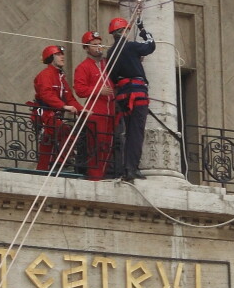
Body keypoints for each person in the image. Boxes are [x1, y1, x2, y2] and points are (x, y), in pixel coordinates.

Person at [106, 17, 155, 181]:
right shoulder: (130, 46)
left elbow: (112, 76)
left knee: (128, 131)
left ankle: (127, 167)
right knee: (136, 133)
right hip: (137, 94)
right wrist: (142, 29)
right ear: (125, 31)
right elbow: (150, 46)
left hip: (123, 96)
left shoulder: (111, 52)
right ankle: (131, 169)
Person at [73, 30, 117, 180]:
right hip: (96, 111)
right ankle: (95, 177)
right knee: (97, 145)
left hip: (112, 110)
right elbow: (80, 90)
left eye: (100, 44)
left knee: (110, 145)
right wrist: (99, 90)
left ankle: (105, 174)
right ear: (86, 48)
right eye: (94, 45)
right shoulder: (83, 67)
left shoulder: (108, 64)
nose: (99, 47)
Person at [33, 45, 83, 172]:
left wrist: (82, 110)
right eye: (58, 54)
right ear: (51, 58)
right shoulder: (45, 75)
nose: (62, 57)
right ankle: (61, 162)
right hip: (45, 114)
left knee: (47, 146)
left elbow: (70, 97)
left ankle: (44, 169)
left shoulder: (61, 78)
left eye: (62, 54)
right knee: (65, 132)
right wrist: (64, 106)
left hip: (52, 116)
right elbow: (46, 94)